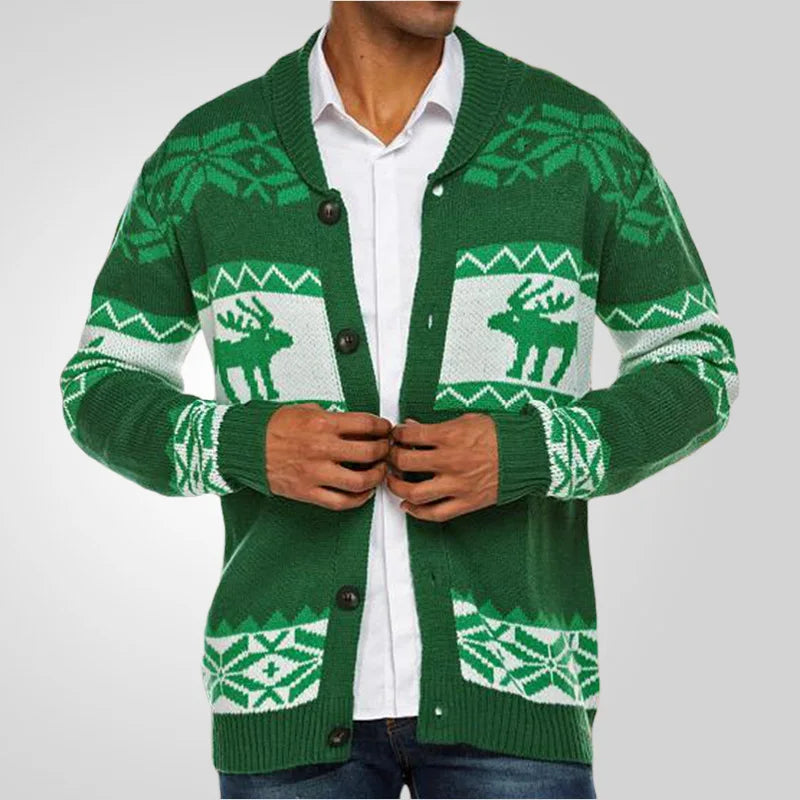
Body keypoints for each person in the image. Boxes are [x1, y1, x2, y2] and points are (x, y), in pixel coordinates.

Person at [58, 2, 739, 797]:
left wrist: (533, 451)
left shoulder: (577, 142)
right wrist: (244, 444)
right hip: (282, 703)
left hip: (519, 695)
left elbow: (698, 363)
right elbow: (100, 382)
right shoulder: (205, 159)